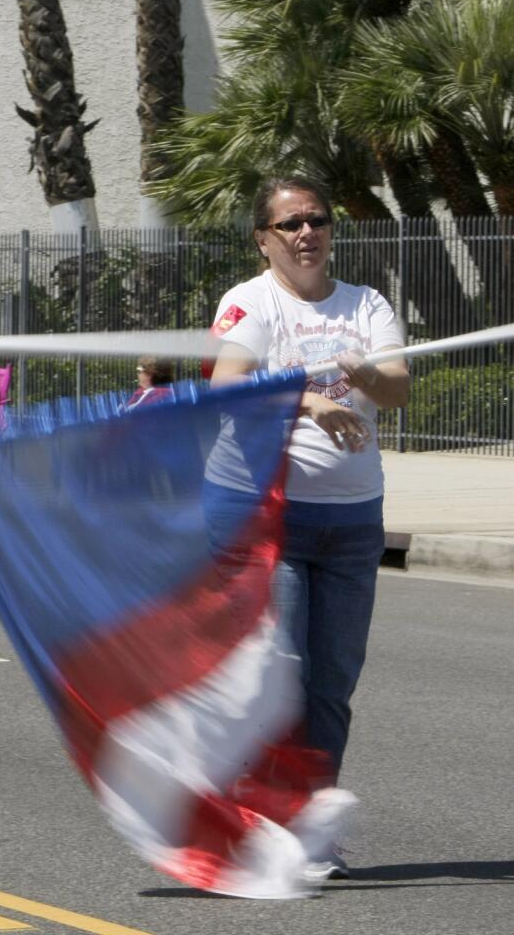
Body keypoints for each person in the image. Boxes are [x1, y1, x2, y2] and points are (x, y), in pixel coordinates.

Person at [207, 175, 410, 882]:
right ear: (263, 238)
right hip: (268, 517)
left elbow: (397, 387)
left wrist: (367, 375)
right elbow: (227, 385)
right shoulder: (249, 303)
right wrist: (307, 401)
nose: (306, 234)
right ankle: (266, 820)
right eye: (289, 224)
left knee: (329, 682)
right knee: (281, 675)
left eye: (316, 220)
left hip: (353, 521)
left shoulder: (366, 305)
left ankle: (309, 820)